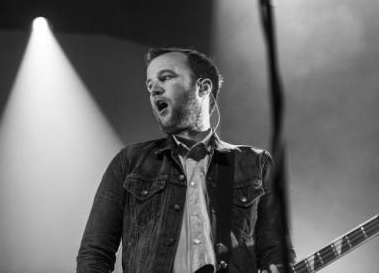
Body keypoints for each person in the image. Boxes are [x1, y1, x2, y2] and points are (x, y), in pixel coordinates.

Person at [76, 47, 295, 273]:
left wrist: (277, 266)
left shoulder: (254, 163)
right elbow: (94, 254)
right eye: (150, 85)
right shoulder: (129, 162)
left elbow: (276, 250)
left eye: (165, 78)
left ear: (203, 87)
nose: (154, 91)